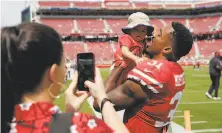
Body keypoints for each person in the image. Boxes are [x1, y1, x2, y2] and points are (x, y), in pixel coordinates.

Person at [1, 23, 129, 133]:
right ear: (53, 73)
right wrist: (102, 99)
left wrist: (68, 114)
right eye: (64, 63)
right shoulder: (83, 126)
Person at [95, 22, 193, 133]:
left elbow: (99, 103)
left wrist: (120, 63)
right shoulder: (176, 69)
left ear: (166, 49)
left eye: (159, 35)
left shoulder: (152, 71)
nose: (153, 35)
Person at [104, 12, 154, 93]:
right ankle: (106, 96)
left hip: (131, 66)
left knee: (126, 83)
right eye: (136, 29)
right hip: (121, 64)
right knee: (115, 82)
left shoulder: (143, 42)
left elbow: (142, 53)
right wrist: (136, 58)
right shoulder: (127, 38)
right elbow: (125, 51)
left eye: (143, 31)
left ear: (146, 32)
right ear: (129, 30)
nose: (139, 33)